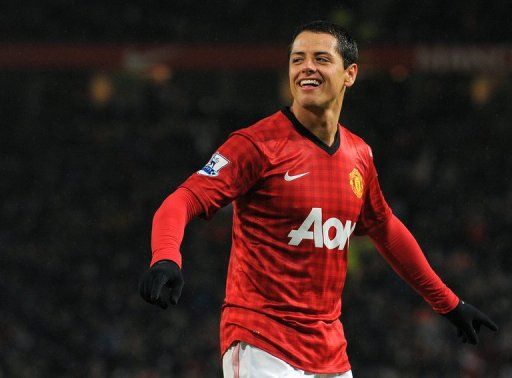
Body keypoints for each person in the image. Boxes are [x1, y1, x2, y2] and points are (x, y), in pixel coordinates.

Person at [139, 21, 498, 377]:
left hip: (330, 353)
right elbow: (182, 199)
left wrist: (449, 304)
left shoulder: (359, 155)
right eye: (298, 59)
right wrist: (166, 257)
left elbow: (385, 228)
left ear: (350, 74)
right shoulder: (256, 145)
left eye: (320, 59)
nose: (306, 67)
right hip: (262, 344)